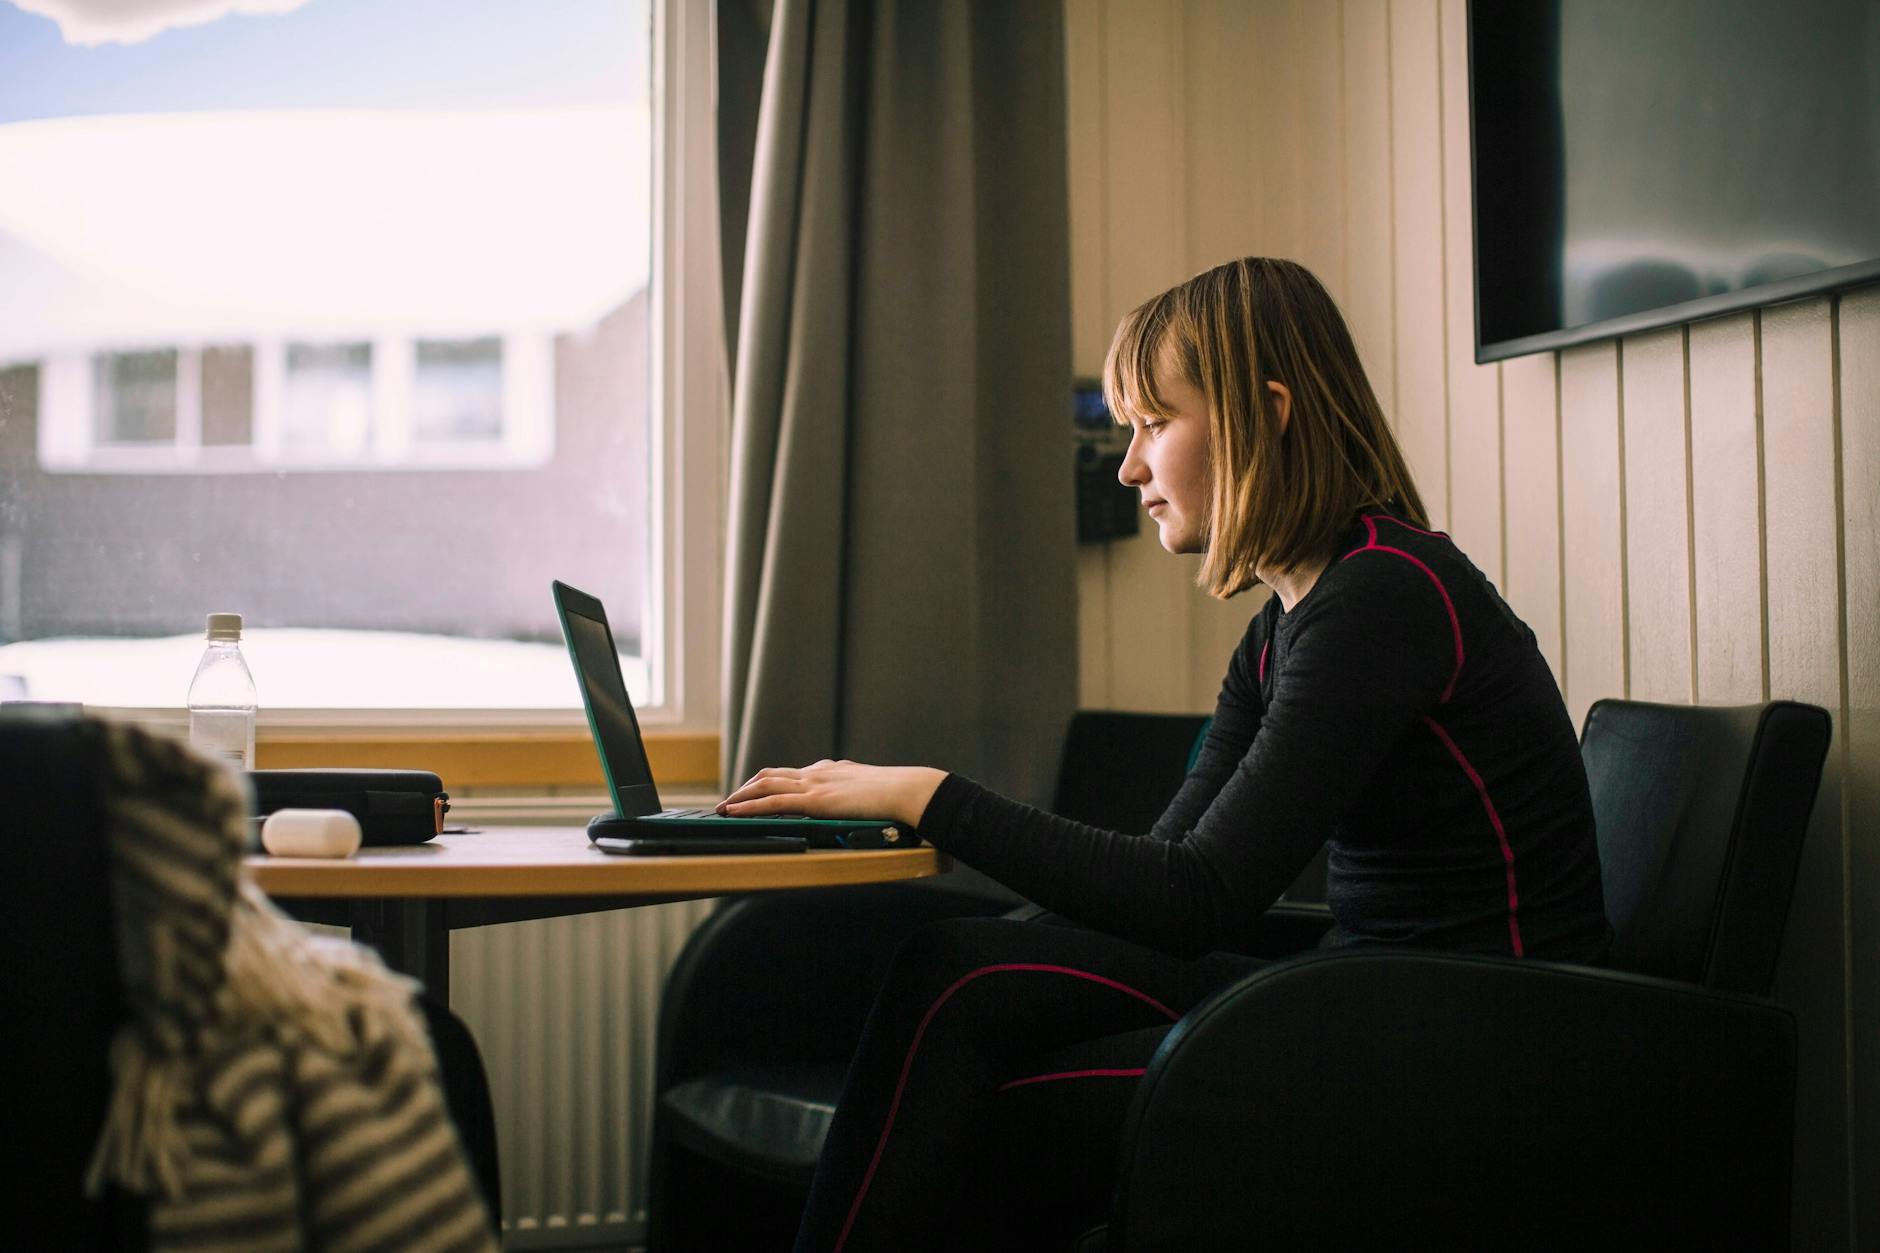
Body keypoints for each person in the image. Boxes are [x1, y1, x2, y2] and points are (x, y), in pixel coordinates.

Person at [718, 257, 1612, 1251]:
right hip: (1367, 995)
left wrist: (928, 794)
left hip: (1468, 1036)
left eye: (1152, 421)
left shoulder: (1382, 597)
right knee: (959, 971)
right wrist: (1022, 934)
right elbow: (1161, 875)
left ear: (1263, 412)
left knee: (992, 1110)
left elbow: (1196, 895)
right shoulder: (1286, 626)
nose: (1127, 465)